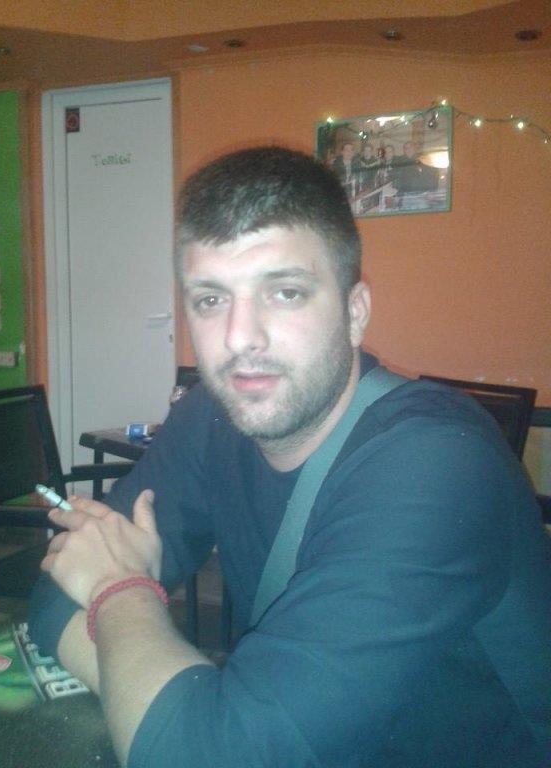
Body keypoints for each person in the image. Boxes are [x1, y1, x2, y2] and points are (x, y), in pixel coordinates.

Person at [29, 147, 551, 768]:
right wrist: (173, 709)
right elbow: (58, 592)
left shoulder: (437, 465)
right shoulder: (210, 417)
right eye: (210, 299)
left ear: (354, 312)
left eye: (284, 292)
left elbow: (206, 756)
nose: (239, 337)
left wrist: (120, 592)